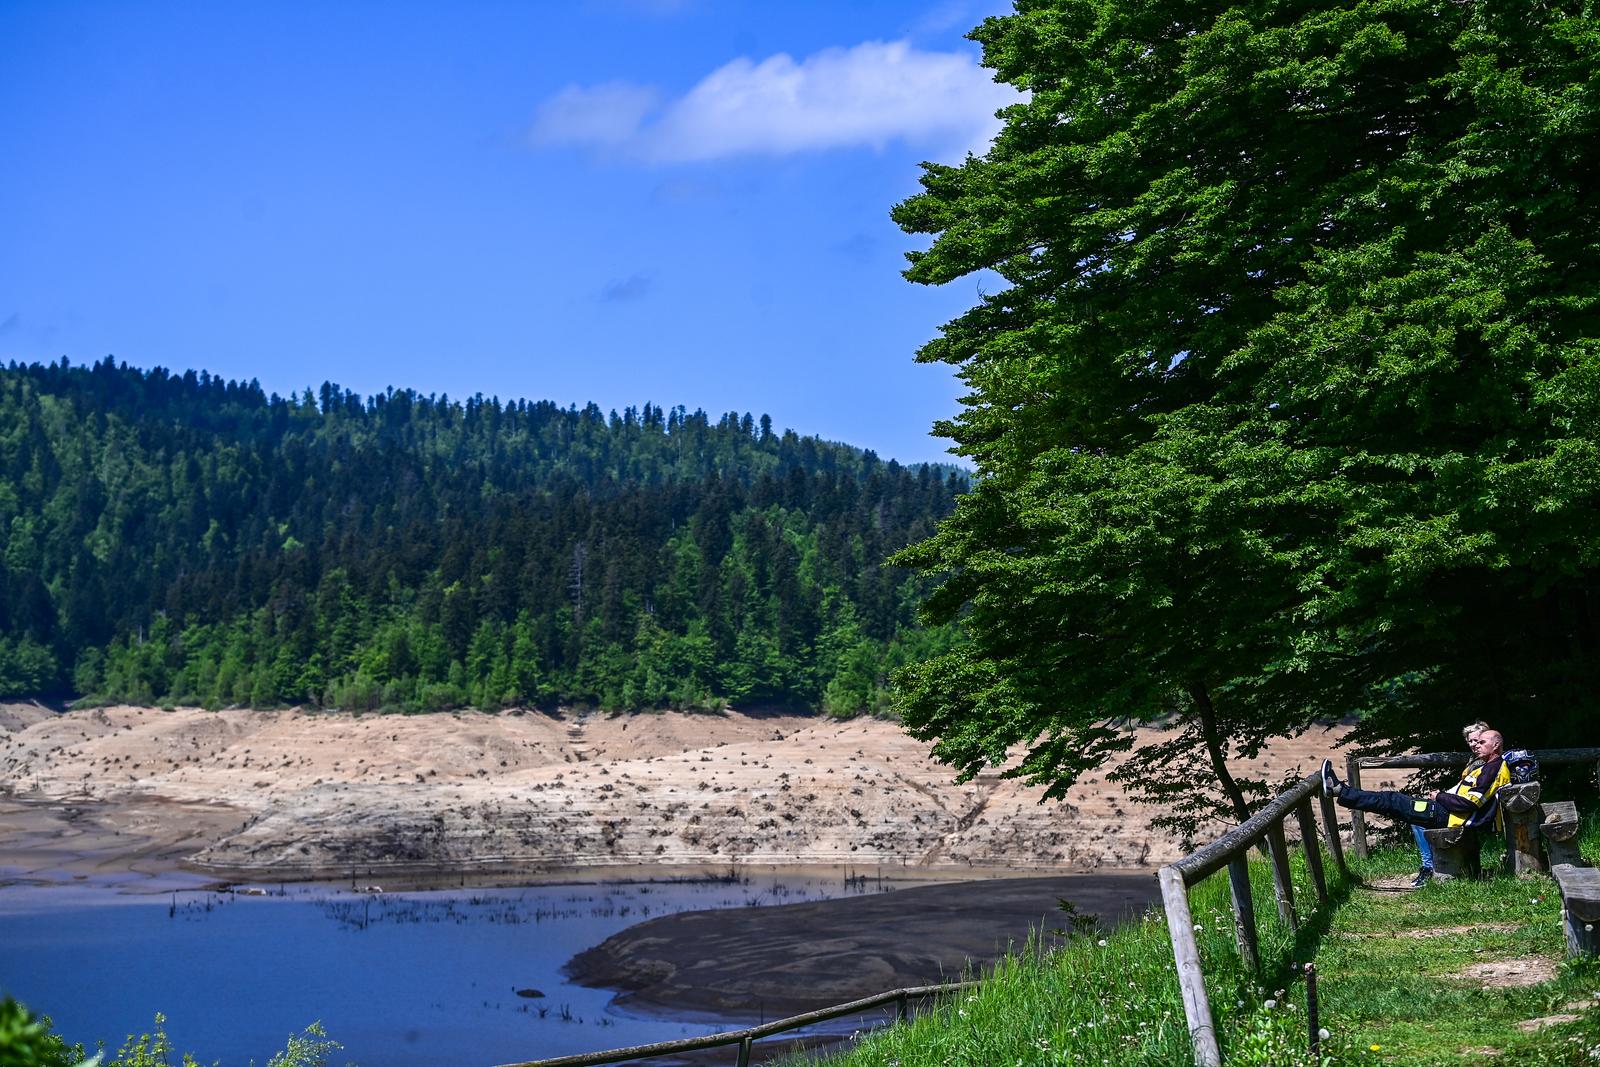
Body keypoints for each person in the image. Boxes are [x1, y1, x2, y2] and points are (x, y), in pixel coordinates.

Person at [1321, 727, 1511, 887]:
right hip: (1448, 812)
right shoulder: (1485, 767)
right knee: (1393, 804)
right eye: (1475, 742)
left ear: (1496, 745)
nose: (1476, 745)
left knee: (1392, 800)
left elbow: (1469, 803)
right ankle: (1340, 790)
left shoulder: (1492, 769)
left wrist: (1440, 796)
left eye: (1482, 742)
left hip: (1451, 816)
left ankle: (1339, 790)